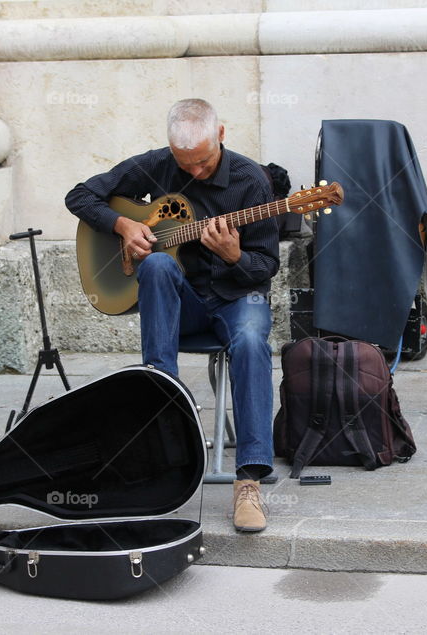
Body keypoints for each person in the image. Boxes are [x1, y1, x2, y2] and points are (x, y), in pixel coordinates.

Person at [65, 98, 278, 532]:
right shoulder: (157, 165)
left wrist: (236, 256)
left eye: (202, 162)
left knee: (254, 341)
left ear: (221, 135)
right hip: (180, 305)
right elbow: (79, 196)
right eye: (185, 165)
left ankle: (249, 479)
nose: (194, 172)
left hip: (238, 299)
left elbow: (266, 267)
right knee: (159, 263)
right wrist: (123, 225)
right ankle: (163, 430)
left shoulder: (251, 182)